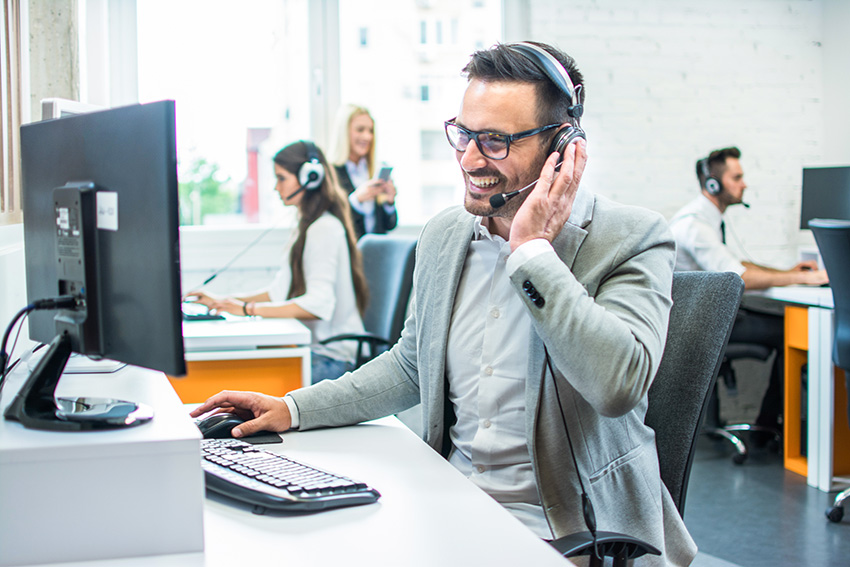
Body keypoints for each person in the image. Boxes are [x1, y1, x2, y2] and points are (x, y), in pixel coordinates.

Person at [192, 42, 696, 566]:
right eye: (464, 134)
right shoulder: (445, 236)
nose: (470, 159)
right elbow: (412, 363)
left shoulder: (631, 237)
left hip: (568, 529)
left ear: (559, 149)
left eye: (497, 141)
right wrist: (294, 408)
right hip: (449, 501)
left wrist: (532, 253)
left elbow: (617, 386)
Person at [669, 147, 828, 438]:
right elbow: (737, 276)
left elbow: (736, 263)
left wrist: (789, 272)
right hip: (702, 328)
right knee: (788, 330)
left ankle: (768, 423)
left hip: (706, 319)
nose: (744, 184)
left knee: (788, 326)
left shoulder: (704, 220)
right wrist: (805, 279)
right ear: (713, 184)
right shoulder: (695, 227)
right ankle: (771, 424)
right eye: (737, 177)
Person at [188, 141, 369, 384]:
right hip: (314, 350)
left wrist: (246, 310)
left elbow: (318, 305)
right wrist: (223, 301)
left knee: (245, 384)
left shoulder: (324, 229)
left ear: (310, 178)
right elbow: (277, 293)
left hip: (332, 360)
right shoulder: (306, 226)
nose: (276, 186)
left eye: (281, 178)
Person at [329, 104, 398, 239]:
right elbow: (333, 223)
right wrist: (356, 200)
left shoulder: (375, 169)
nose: (367, 137)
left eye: (370, 131)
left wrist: (389, 202)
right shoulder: (331, 173)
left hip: (376, 252)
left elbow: (390, 225)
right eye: (360, 130)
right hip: (349, 253)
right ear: (344, 132)